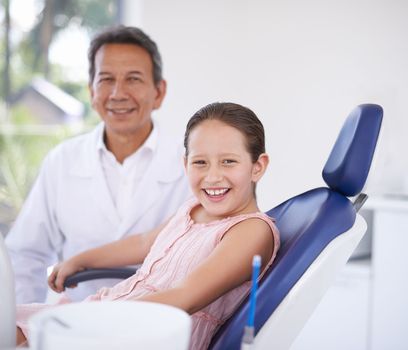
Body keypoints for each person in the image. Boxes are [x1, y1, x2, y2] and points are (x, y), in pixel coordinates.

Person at [16, 102, 280, 350]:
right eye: (200, 162)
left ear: (258, 166)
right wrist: (81, 260)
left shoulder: (251, 231)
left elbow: (184, 296)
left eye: (228, 162)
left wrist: (91, 319)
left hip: (147, 336)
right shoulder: (193, 208)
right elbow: (145, 242)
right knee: (13, 323)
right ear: (185, 164)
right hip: (115, 313)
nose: (212, 176)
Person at [5, 26, 190, 303]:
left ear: (159, 92)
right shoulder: (62, 161)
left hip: (159, 326)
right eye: (106, 79)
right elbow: (25, 255)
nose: (118, 93)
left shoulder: (192, 165)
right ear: (91, 91)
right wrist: (21, 329)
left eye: (133, 79)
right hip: (73, 325)